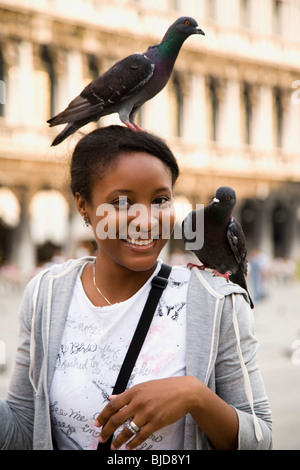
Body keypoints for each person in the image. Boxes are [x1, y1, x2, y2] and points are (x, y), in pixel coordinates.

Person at [0, 126, 272, 450]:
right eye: (122, 202)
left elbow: (261, 440)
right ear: (83, 205)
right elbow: (22, 431)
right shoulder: (46, 293)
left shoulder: (216, 303)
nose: (145, 221)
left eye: (160, 200)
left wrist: (195, 396)